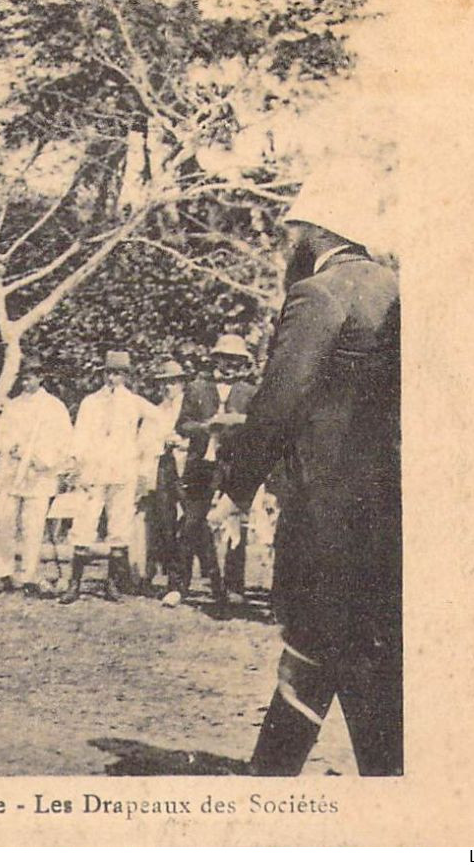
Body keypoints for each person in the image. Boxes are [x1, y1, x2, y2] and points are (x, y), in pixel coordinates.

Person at [222, 173, 401, 777]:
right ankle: (359, 772)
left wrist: (235, 488)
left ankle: (272, 777)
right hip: (387, 509)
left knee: (320, 640)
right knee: (358, 647)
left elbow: (279, 399)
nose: (286, 242)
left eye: (290, 231)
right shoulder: (395, 291)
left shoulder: (318, 294)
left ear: (314, 232)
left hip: (327, 508)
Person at [165, 334, 257, 606]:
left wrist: (238, 424)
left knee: (234, 525)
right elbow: (182, 425)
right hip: (200, 465)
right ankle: (178, 585)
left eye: (235, 360)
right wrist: (206, 427)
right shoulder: (197, 388)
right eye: (225, 359)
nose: (229, 365)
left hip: (233, 466)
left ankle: (233, 586)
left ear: (242, 363)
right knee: (191, 522)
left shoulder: (249, 392)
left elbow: (257, 431)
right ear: (215, 359)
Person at [61, 350, 156, 604]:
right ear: (103, 374)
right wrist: (75, 463)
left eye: (119, 373)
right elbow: (79, 435)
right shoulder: (90, 402)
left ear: (126, 376)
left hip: (123, 471)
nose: (113, 378)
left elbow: (160, 422)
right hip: (94, 472)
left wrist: (141, 450)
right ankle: (74, 584)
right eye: (109, 372)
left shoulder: (135, 403)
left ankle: (112, 584)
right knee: (84, 524)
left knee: (119, 526)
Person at [0, 358, 72, 596]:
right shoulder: (13, 406)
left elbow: (65, 441)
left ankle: (28, 576)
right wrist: (10, 446)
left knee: (32, 527)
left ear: (40, 377)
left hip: (39, 475)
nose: (26, 382)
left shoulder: (54, 407)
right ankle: (4, 574)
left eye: (30, 377)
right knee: (3, 523)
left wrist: (43, 459)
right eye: (23, 378)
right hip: (11, 474)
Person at [141, 359, 192, 593]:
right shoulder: (156, 410)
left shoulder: (191, 407)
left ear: (182, 383)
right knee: (166, 523)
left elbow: (202, 434)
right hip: (163, 468)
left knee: (193, 523)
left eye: (172, 382)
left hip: (188, 468)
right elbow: (144, 442)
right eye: (163, 383)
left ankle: (206, 580)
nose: (168, 387)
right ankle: (174, 581)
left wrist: (182, 442)